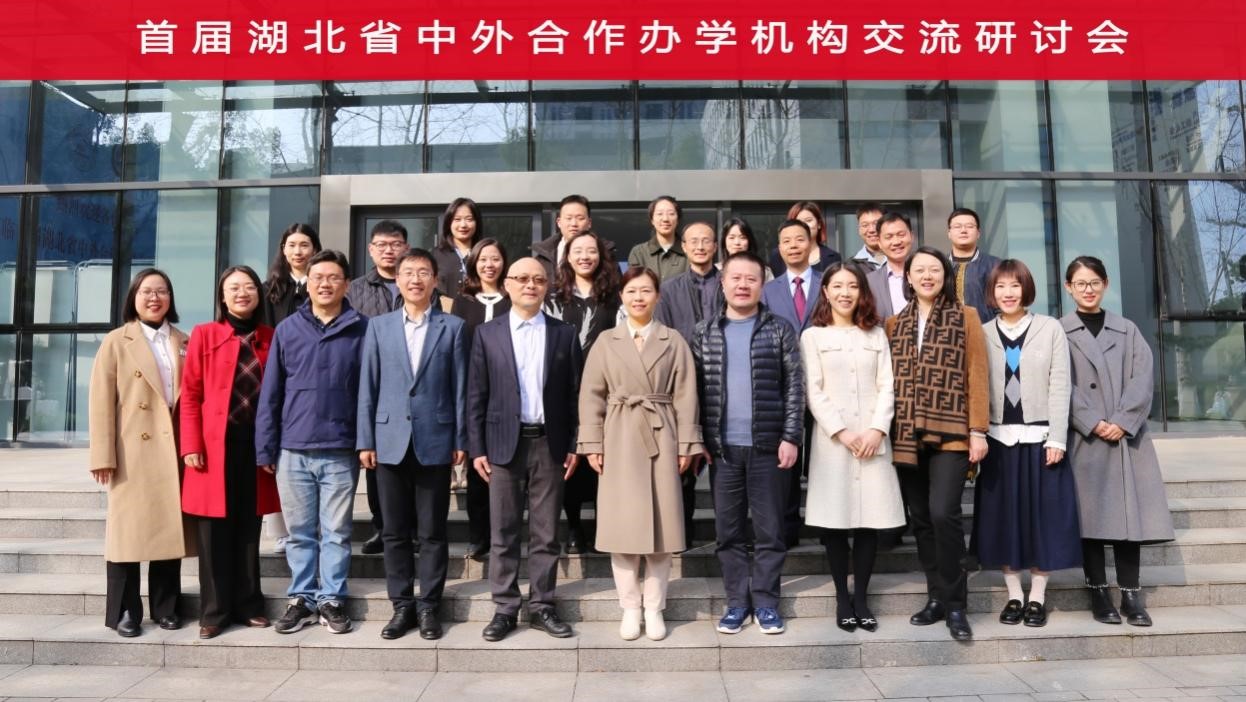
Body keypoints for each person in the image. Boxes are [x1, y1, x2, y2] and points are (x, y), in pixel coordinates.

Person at [578, 266, 702, 641]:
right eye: (631, 291)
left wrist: (687, 443)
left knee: (663, 530)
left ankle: (655, 607)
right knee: (622, 529)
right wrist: (591, 443)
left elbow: (686, 395)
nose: (638, 297)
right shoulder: (606, 341)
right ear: (621, 296)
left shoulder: (673, 340)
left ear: (657, 296)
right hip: (618, 437)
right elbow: (591, 395)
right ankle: (630, 607)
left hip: (662, 436)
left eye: (646, 290)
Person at [468, 257, 583, 642]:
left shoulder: (564, 334)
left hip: (551, 444)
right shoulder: (487, 334)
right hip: (503, 444)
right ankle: (504, 607)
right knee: (502, 531)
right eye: (521, 278)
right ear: (507, 284)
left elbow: (575, 394)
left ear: (547, 286)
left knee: (546, 532)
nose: (530, 285)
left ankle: (542, 605)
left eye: (538, 279)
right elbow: (476, 395)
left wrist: (574, 443)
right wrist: (477, 447)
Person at [357, 249, 467, 641]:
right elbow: (367, 386)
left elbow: (460, 387)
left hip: (436, 439)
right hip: (388, 440)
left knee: (433, 531)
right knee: (394, 531)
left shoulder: (453, 327)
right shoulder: (379, 327)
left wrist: (460, 438)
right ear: (397, 280)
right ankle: (402, 605)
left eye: (423, 272)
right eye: (408, 273)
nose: (415, 279)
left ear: (435, 280)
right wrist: (365, 439)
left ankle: (429, 606)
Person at [692, 251, 804, 636]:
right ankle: (738, 603)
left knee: (770, 531)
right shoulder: (704, 332)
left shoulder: (780, 329)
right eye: (735, 278)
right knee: (729, 533)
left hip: (768, 448)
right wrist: (698, 439)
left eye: (751, 279)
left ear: (762, 285)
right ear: (723, 283)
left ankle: (767, 603)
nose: (742, 285)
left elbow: (795, 388)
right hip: (722, 451)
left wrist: (791, 436)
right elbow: (693, 393)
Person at [257, 249, 368, 636]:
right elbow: (271, 392)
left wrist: (365, 442)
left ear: (346, 284)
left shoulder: (362, 329)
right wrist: (266, 446)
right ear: (308, 283)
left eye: (334, 277)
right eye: (318, 277)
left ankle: (332, 598)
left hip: (340, 448)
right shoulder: (289, 329)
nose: (325, 284)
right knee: (300, 533)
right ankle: (302, 598)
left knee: (336, 532)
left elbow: (369, 393)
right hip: (293, 448)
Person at [1061, 256, 1174, 627]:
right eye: (1081, 283)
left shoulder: (1127, 330)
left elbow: (1143, 379)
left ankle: (1130, 594)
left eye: (1095, 282)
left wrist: (1123, 421)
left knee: (1128, 519)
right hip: (1085, 438)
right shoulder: (1059, 332)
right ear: (1068, 288)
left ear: (1105, 285)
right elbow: (1060, 383)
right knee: (1090, 519)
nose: (1088, 289)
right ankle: (1098, 592)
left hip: (1127, 440)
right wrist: (1092, 421)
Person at [885, 246, 989, 641]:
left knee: (944, 514)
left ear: (944, 276)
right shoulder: (894, 324)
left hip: (952, 433)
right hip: (907, 434)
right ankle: (936, 597)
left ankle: (957, 604)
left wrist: (978, 430)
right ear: (908, 278)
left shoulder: (966, 316)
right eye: (919, 270)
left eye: (934, 269)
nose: (927, 276)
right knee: (923, 520)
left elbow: (977, 374)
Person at [972, 259, 1081, 628]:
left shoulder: (1049, 328)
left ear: (1026, 289)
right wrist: (976, 433)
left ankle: (1037, 596)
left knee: (1041, 519)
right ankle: (1014, 594)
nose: (1008, 293)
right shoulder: (982, 332)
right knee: (1004, 520)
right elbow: (976, 386)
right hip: (998, 441)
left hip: (1041, 440)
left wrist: (1058, 437)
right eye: (1001, 286)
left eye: (1015, 285)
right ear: (992, 292)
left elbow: (1060, 384)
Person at [88, 268, 192, 638]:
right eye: (146, 291)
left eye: (161, 291)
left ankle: (166, 607)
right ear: (134, 297)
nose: (154, 298)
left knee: (168, 531)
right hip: (131, 449)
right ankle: (124, 611)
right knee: (126, 535)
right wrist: (102, 455)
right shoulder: (117, 341)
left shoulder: (184, 340)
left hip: (174, 449)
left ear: (170, 298)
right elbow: (101, 401)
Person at [801, 262, 904, 633]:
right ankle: (841, 600)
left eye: (852, 286)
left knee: (868, 523)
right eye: (837, 286)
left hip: (873, 440)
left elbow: (888, 385)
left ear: (862, 292)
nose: (845, 293)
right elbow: (813, 390)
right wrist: (842, 432)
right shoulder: (813, 337)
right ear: (825, 291)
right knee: (835, 523)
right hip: (834, 443)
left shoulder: (875, 334)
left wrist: (877, 429)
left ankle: (861, 598)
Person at [180, 265, 280, 639]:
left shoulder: (271, 337)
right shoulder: (205, 334)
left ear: (259, 294)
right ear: (222, 296)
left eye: (249, 286)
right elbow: (190, 394)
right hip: (213, 447)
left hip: (256, 447)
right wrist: (191, 443)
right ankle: (214, 612)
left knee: (249, 528)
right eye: (233, 287)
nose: (242, 293)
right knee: (213, 533)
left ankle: (249, 605)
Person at [545, 229, 621, 554]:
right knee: (571, 461)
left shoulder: (614, 297)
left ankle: (604, 527)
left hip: (606, 388)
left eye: (592, 250)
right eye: (578, 251)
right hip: (565, 388)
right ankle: (574, 527)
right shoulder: (554, 297)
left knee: (604, 460)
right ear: (567, 257)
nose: (585, 256)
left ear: (601, 256)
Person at [655, 221, 723, 542]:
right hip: (681, 386)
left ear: (715, 246)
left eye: (706, 240)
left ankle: (727, 534)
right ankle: (681, 532)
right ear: (683, 247)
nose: (700, 246)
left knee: (723, 461)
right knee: (682, 462)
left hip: (722, 385)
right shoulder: (668, 289)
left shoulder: (728, 283)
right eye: (693, 241)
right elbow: (663, 337)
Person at [347, 219, 410, 556]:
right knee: (376, 463)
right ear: (371, 250)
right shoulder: (355, 290)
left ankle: (412, 529)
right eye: (382, 245)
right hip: (374, 386)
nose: (389, 250)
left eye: (395, 244)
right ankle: (381, 527)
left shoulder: (419, 283)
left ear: (406, 248)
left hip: (414, 386)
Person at [762, 219, 823, 547]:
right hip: (783, 383)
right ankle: (788, 526)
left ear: (811, 243)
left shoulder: (828, 283)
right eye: (787, 241)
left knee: (823, 454)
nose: (794, 246)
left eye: (800, 239)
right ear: (779, 248)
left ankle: (826, 524)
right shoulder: (768, 290)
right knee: (786, 456)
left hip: (825, 381)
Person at [448, 238, 511, 560]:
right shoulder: (463, 302)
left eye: (495, 258)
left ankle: (503, 535)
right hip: (473, 393)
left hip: (506, 393)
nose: (489, 265)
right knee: (477, 470)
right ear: (474, 263)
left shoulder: (512, 299)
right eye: (483, 259)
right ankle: (479, 537)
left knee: (505, 469)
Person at [261, 222, 322, 554]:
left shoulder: (324, 285)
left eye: (304, 245)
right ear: (283, 250)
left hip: (313, 382)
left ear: (315, 249)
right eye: (292, 245)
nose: (298, 251)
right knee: (276, 456)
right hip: (275, 379)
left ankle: (314, 527)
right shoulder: (268, 289)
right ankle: (281, 531)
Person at [532, 194, 618, 283]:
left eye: (580, 218)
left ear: (589, 223)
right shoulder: (543, 257)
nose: (574, 224)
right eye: (568, 218)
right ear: (559, 222)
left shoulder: (606, 254)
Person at [947, 207, 1001, 322]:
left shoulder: (995, 265)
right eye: (957, 226)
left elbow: (1003, 303)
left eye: (969, 226)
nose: (963, 230)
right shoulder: (939, 265)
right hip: (946, 330)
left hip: (985, 329)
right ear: (949, 233)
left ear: (978, 233)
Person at [767, 201, 841, 278]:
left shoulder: (833, 257)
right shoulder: (778, 255)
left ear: (819, 224)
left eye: (808, 220)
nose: (804, 225)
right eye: (798, 221)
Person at [627, 195, 688, 282]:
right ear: (652, 220)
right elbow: (635, 285)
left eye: (671, 214)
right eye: (660, 214)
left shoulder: (689, 251)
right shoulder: (639, 253)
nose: (665, 219)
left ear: (678, 219)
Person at [866, 212, 915, 320]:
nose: (896, 242)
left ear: (912, 236)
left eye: (901, 235)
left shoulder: (928, 276)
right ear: (879, 242)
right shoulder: (869, 282)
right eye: (889, 237)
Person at [432, 197, 482, 299]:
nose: (463, 225)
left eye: (469, 219)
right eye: (457, 219)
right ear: (449, 223)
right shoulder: (436, 255)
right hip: (445, 308)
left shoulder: (484, 252)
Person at [717, 216, 773, 281]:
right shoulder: (716, 271)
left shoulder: (763, 271)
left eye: (742, 238)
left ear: (749, 241)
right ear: (724, 241)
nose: (737, 242)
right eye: (731, 238)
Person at [850, 203, 887, 270]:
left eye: (876, 224)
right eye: (865, 225)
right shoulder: (851, 266)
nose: (871, 230)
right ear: (859, 230)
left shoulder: (902, 259)